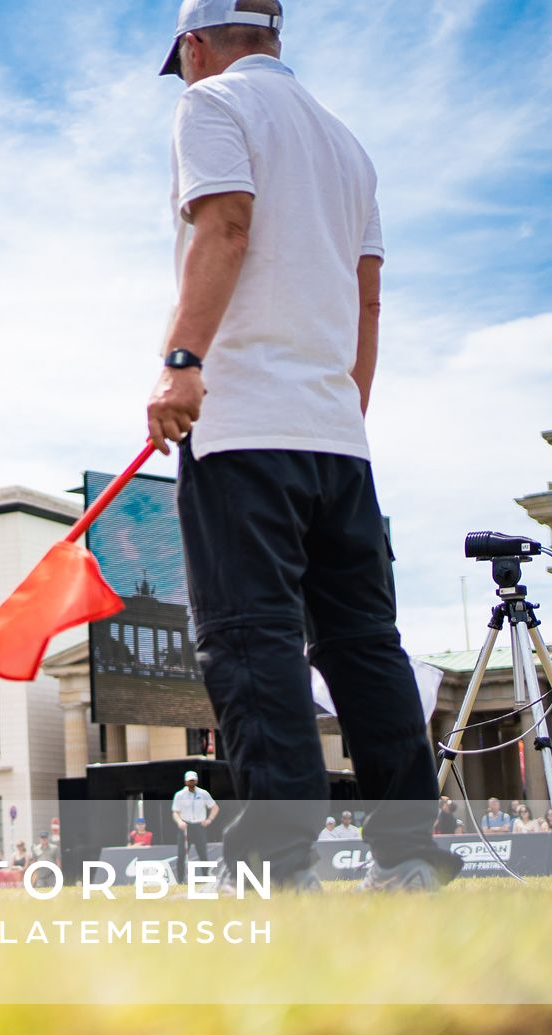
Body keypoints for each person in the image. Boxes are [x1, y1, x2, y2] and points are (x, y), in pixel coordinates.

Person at [147, 0, 456, 893]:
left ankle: (282, 872)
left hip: (243, 427)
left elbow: (227, 226)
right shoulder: (348, 145)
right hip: (337, 441)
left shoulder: (211, 107)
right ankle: (411, 863)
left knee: (252, 644)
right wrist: (344, 412)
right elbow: (368, 299)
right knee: (365, 646)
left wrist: (181, 362)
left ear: (195, 46)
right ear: (273, 37)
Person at [170, 770, 218, 881]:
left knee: (203, 854)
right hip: (185, 827)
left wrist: (209, 820)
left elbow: (214, 807)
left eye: (193, 780)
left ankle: (206, 878)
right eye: (189, 781)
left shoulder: (203, 793)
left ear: (196, 781)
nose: (191, 783)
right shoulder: (180, 795)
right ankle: (181, 881)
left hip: (199, 827)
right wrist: (179, 822)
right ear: (185, 782)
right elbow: (175, 812)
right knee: (181, 855)